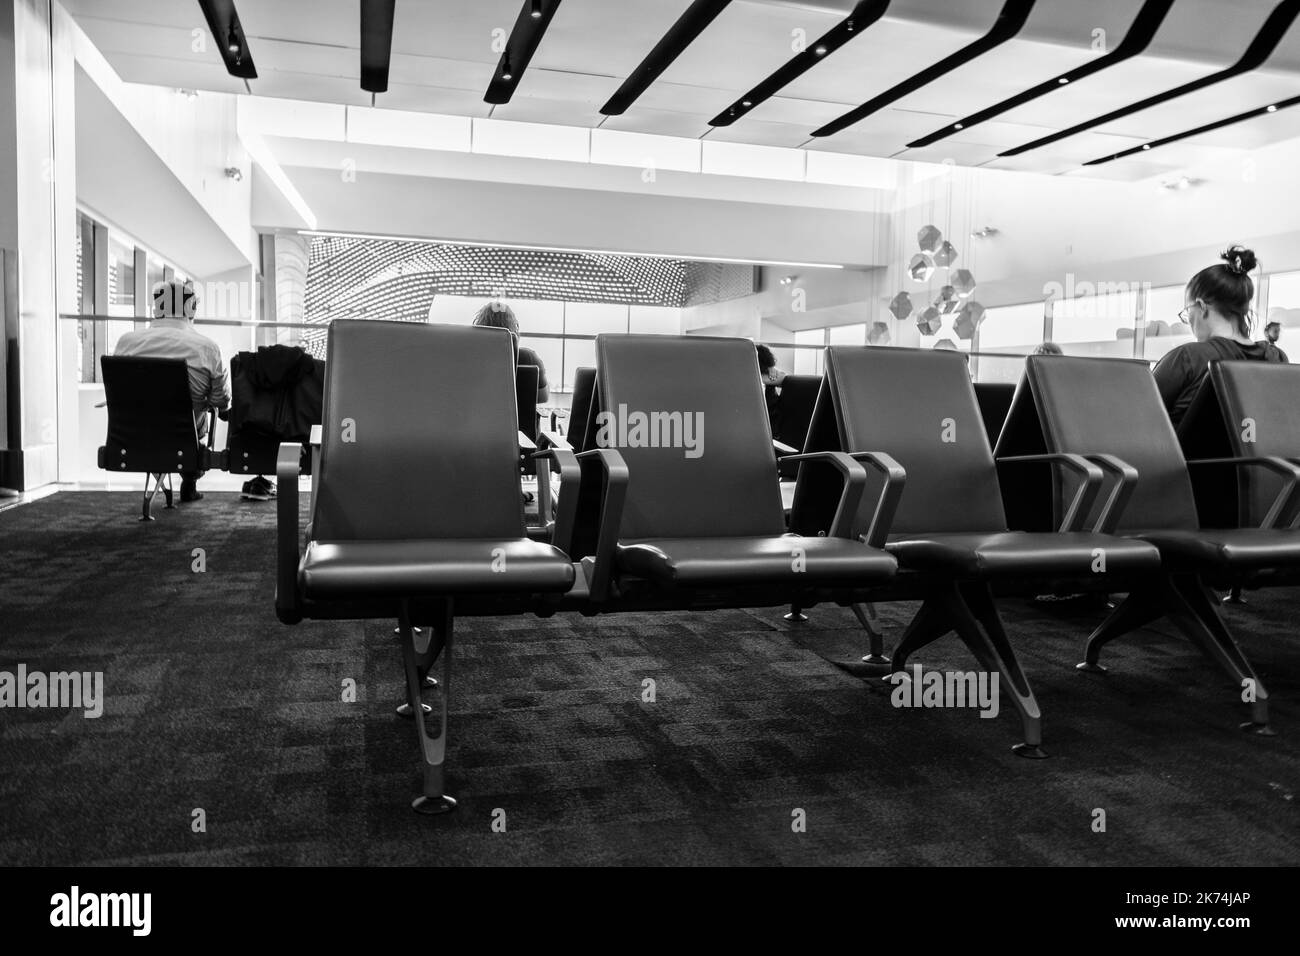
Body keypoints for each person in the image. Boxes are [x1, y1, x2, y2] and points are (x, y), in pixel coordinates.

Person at [114, 279, 230, 502]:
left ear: (156, 307)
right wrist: (216, 405)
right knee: (200, 413)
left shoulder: (126, 342)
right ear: (191, 308)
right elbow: (220, 398)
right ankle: (190, 480)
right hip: (183, 437)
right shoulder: (207, 347)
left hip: (134, 435)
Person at [1153, 245, 1283, 426]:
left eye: (1188, 311)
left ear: (1201, 306)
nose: (1189, 321)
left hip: (1186, 455)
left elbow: (1132, 417)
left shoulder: (1188, 359)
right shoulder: (1276, 359)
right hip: (1263, 455)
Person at [472, 301, 548, 403]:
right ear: (513, 326)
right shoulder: (528, 357)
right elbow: (543, 397)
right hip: (519, 419)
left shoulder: (472, 358)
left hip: (479, 418)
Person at [756, 343, 785, 436]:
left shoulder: (769, 377)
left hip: (768, 426)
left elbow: (784, 378)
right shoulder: (770, 377)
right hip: (773, 426)